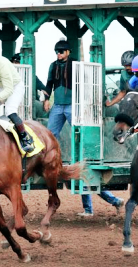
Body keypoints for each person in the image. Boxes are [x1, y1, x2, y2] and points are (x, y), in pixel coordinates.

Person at [44, 38, 123, 217]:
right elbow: (49, 83)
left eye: (62, 51)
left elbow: (87, 82)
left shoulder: (76, 65)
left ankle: (83, 154)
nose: (59, 54)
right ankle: (48, 158)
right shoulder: (53, 66)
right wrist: (46, 98)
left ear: (68, 52)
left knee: (79, 136)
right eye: (57, 51)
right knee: (49, 135)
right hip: (58, 106)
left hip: (73, 105)